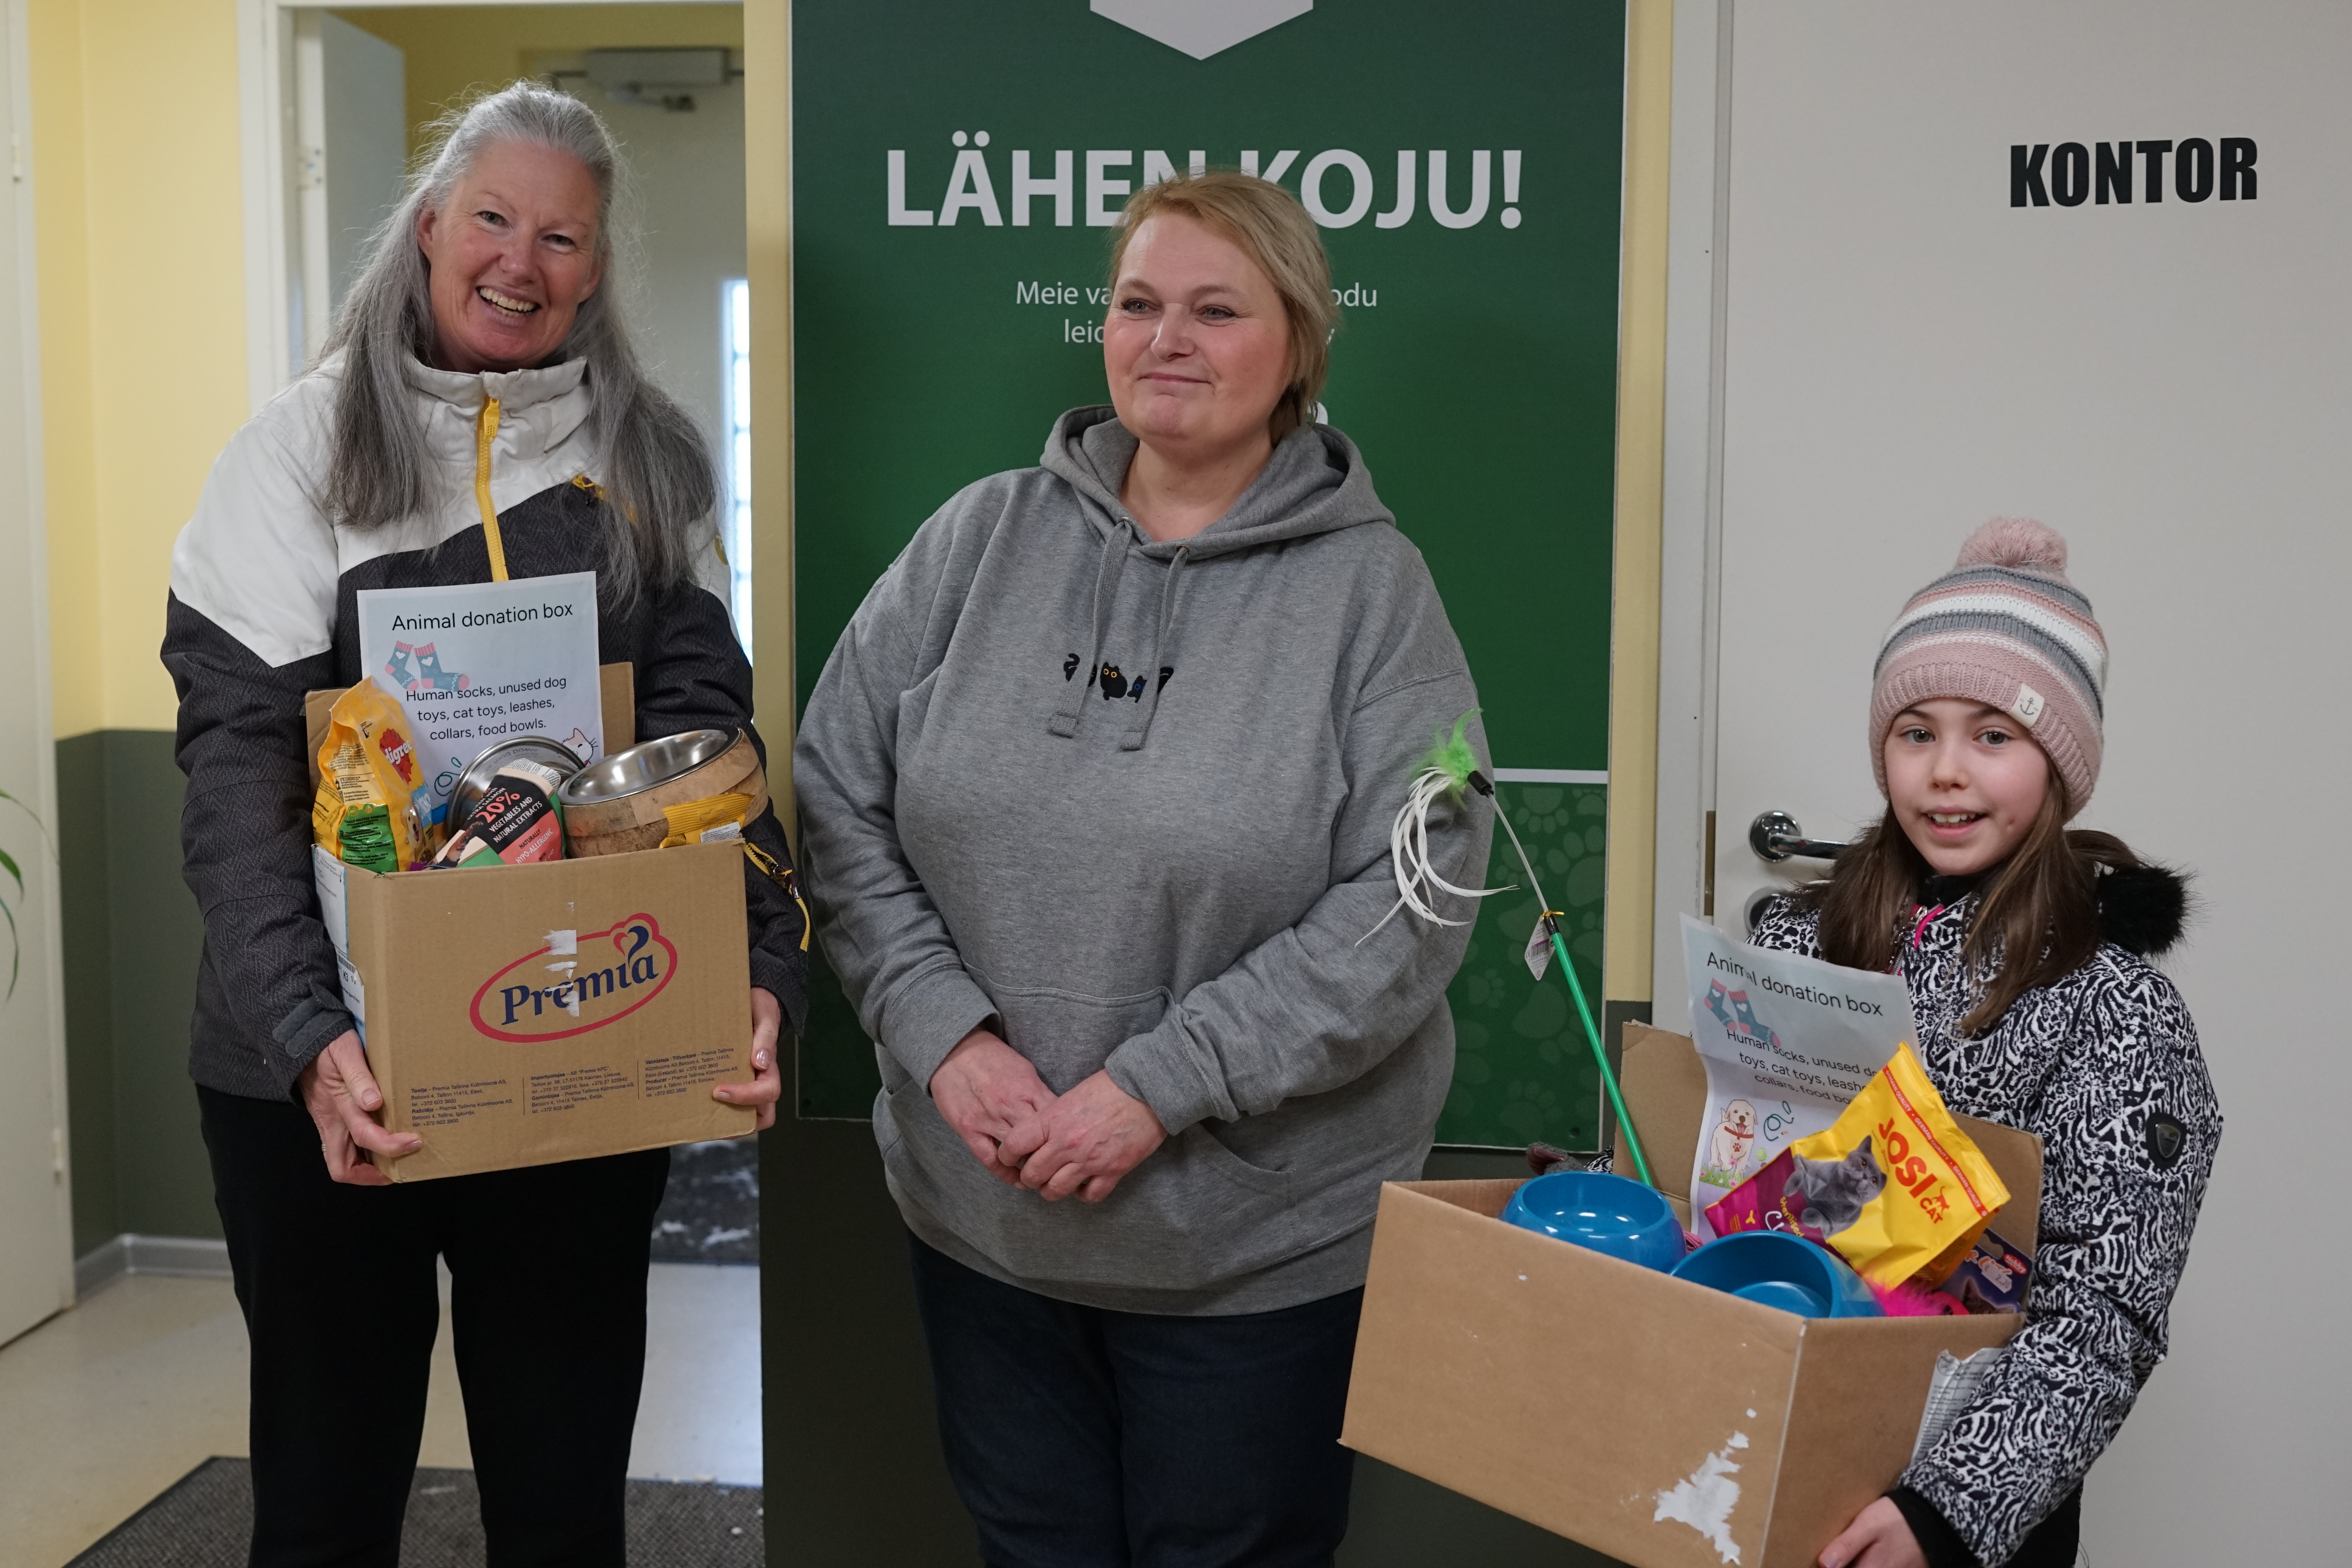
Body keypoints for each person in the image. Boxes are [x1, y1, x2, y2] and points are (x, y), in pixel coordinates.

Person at [793, 169, 1493, 1566]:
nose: (1167, 338)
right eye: (1138, 303)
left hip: (1254, 1255)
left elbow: (1411, 906)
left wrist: (1157, 1089)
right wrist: (945, 1038)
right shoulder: (978, 540)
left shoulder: (1376, 595)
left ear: (1297, 342)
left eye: (1217, 309)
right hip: (983, 1223)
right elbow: (834, 792)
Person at [162, 84, 807, 1566]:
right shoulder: (293, 455)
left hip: (571, 1023)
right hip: (323, 1077)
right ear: (432, 226)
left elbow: (710, 752)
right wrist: (311, 1039)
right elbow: (237, 783)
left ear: (597, 266)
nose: (523, 260)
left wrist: (758, 972)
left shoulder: (645, 455)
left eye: (563, 236)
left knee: (564, 1491)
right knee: (325, 1499)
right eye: (495, 219)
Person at [1746, 520, 2220, 1568]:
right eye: (1917, 733)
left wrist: (1944, 1513)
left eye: (1993, 737)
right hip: (1768, 1437)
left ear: (2058, 765)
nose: (1947, 773)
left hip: (1957, 1509)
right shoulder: (1797, 946)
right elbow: (1734, 1166)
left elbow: (2102, 1311)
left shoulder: (2114, 1006)